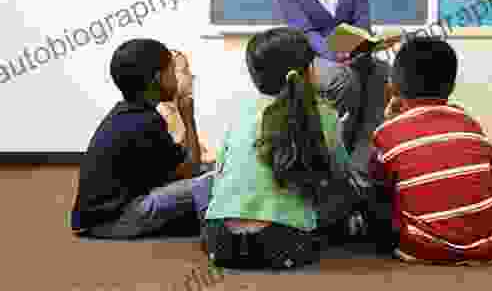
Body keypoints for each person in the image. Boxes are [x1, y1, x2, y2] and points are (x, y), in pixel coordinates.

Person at [202, 28, 366, 270]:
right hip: (283, 244)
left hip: (220, 243)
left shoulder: (238, 112)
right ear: (310, 71)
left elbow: (218, 176)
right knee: (350, 193)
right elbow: (341, 174)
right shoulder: (325, 114)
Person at [266, 0, 390, 173]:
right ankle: (332, 162)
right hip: (310, 58)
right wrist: (335, 55)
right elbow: (303, 31)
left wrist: (359, 46)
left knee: (383, 74)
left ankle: (361, 165)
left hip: (352, 53)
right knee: (342, 80)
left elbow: (361, 19)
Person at [369, 37, 492, 265]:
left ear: (393, 85)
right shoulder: (470, 123)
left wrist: (390, 123)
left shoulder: (387, 133)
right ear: (452, 86)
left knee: (375, 191)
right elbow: (491, 173)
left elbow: (380, 184)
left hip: (426, 246)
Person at [71, 39, 211, 238]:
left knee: (206, 175)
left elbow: (176, 163)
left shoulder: (128, 113)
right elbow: (191, 169)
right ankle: (215, 231)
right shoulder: (146, 121)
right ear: (157, 78)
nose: (179, 79)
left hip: (99, 218)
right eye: (172, 71)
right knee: (208, 182)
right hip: (116, 219)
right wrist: (188, 117)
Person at [157, 50, 216, 165]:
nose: (192, 76)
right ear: (169, 75)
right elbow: (190, 163)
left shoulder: (177, 111)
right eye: (185, 71)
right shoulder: (165, 115)